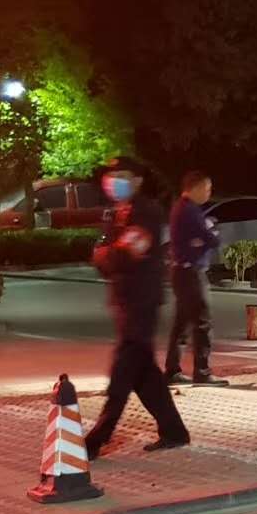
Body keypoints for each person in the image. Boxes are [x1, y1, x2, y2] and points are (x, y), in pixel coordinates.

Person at [86, 157, 191, 454]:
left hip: (142, 306)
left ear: (137, 180)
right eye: (111, 175)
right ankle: (174, 431)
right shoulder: (119, 213)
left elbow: (119, 256)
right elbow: (106, 259)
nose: (113, 181)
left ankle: (97, 439)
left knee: (122, 373)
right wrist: (107, 256)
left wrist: (106, 256)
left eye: (121, 175)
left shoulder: (146, 213)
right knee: (145, 376)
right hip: (125, 303)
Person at [163, 171, 226, 386]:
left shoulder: (182, 208)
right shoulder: (189, 211)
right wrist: (210, 234)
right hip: (191, 273)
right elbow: (211, 239)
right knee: (201, 322)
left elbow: (203, 240)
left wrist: (204, 239)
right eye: (207, 188)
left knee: (181, 323)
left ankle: (172, 370)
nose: (209, 193)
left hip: (181, 272)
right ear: (196, 188)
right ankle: (202, 371)